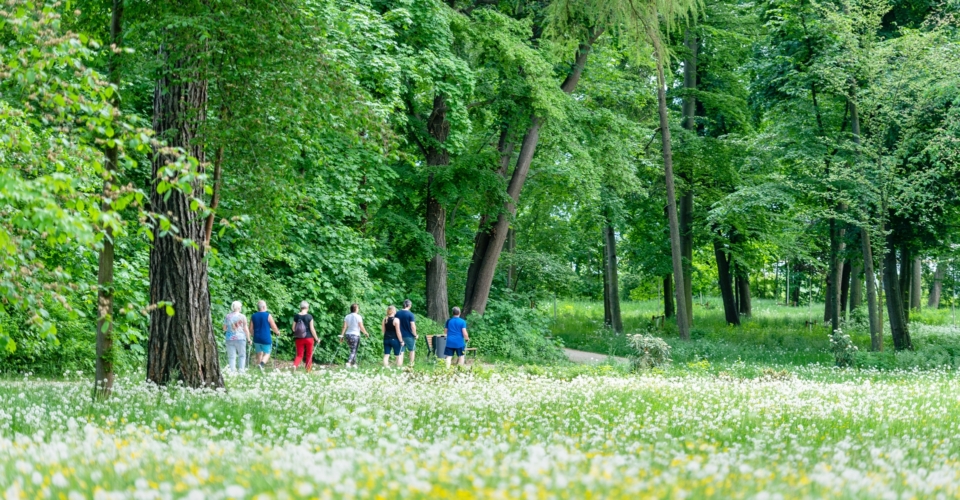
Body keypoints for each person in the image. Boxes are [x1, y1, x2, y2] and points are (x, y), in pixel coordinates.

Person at [250, 300, 281, 370]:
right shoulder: (268, 315)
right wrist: (277, 332)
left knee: (259, 353)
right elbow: (273, 326)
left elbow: (251, 329)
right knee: (267, 353)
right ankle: (261, 364)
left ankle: (259, 369)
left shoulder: (253, 316)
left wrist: (253, 335)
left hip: (257, 338)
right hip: (266, 338)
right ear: (263, 307)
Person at [223, 301, 251, 372]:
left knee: (231, 357)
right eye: (240, 307)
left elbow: (224, 328)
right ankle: (241, 371)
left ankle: (232, 372)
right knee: (242, 355)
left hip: (229, 339)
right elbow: (245, 329)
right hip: (240, 338)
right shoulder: (242, 316)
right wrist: (248, 339)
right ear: (238, 308)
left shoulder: (227, 316)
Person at [292, 301, 319, 372]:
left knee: (299, 355)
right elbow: (312, 329)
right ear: (307, 307)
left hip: (299, 339)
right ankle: (308, 370)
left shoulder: (296, 316)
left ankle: (295, 365)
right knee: (309, 354)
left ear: (300, 307)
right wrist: (316, 339)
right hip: (309, 338)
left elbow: (293, 328)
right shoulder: (309, 316)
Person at [340, 303, 370, 368]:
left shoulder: (347, 316)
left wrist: (342, 336)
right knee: (353, 350)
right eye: (358, 308)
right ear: (356, 309)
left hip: (348, 335)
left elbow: (344, 327)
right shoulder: (358, 316)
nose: (358, 309)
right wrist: (366, 333)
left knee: (353, 350)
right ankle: (348, 362)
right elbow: (361, 326)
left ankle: (354, 364)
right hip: (355, 335)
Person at [395, 299, 418, 365]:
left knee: (401, 351)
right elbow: (413, 326)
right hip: (409, 335)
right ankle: (411, 364)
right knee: (412, 350)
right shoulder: (410, 314)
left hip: (399, 335)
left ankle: (400, 365)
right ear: (409, 305)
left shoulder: (397, 313)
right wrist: (415, 335)